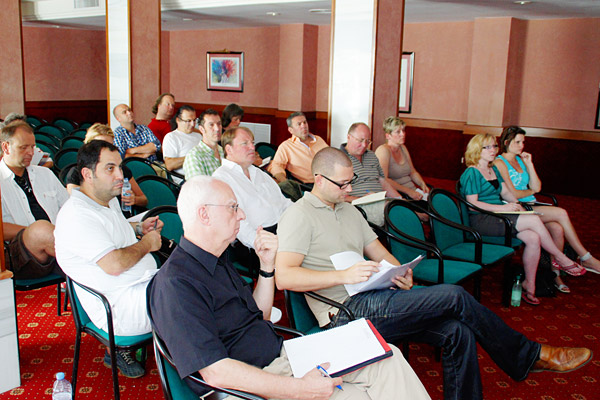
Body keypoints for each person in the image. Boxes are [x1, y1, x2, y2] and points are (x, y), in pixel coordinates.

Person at [275, 147, 593, 400]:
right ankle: (529, 355)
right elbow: (285, 278)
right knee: (455, 296)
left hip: (374, 296)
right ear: (318, 178)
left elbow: (379, 253)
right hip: (344, 312)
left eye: (351, 182)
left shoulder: (347, 210)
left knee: (458, 331)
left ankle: (521, 360)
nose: (349, 189)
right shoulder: (298, 216)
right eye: (342, 184)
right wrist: (343, 276)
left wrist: (397, 273)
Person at [147, 175, 430, 400]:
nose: (242, 215)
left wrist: (266, 267)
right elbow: (216, 373)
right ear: (204, 215)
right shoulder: (176, 284)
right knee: (360, 395)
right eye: (233, 207)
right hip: (250, 384)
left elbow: (259, 315)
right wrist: (300, 389)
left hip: (283, 357)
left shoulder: (217, 261)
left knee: (386, 357)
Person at [54, 140, 163, 378]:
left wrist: (138, 228)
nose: (120, 176)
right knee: (190, 298)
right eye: (110, 168)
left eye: (120, 168)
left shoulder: (106, 200)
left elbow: (113, 232)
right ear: (87, 174)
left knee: (195, 283)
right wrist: (147, 243)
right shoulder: (77, 215)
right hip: (117, 307)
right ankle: (199, 372)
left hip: (137, 287)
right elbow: (113, 264)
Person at [459, 133, 584, 305]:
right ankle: (559, 257)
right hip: (482, 220)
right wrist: (503, 208)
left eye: (494, 146)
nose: (493, 150)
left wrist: (516, 204)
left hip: (499, 215)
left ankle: (529, 286)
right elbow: (472, 205)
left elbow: (504, 192)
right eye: (487, 147)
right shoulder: (471, 172)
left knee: (533, 237)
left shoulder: (492, 168)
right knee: (533, 220)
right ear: (476, 150)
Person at [494, 126, 600, 277]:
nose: (521, 146)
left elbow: (537, 186)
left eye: (523, 142)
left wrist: (529, 164)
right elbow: (514, 194)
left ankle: (554, 276)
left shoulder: (521, 159)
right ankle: (586, 257)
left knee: (557, 228)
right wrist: (531, 191)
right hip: (519, 207)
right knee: (561, 213)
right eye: (517, 142)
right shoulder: (500, 163)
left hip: (532, 203)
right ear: (506, 142)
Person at [1, 121, 68, 279]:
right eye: (23, 147)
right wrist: (34, 233)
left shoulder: (45, 174)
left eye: (32, 147)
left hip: (56, 242)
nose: (31, 152)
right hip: (17, 253)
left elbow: (68, 207)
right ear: (5, 147)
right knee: (40, 230)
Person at [213, 126, 291, 249]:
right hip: (254, 244)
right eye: (245, 144)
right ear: (229, 149)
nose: (252, 147)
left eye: (253, 143)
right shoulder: (221, 178)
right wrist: (260, 244)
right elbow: (236, 224)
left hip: (283, 232)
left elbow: (284, 203)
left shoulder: (258, 172)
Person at [65, 123, 148, 211]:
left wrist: (134, 199)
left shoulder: (122, 170)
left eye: (110, 146)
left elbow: (144, 200)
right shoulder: (76, 173)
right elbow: (78, 207)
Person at [341, 122, 403, 226]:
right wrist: (364, 199)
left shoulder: (371, 155)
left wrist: (400, 199)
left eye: (367, 141)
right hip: (359, 207)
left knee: (403, 206)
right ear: (349, 137)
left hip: (380, 201)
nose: (364, 145)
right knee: (396, 212)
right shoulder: (339, 159)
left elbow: (382, 181)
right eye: (360, 140)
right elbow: (339, 195)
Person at [375, 116, 429, 202]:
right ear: (388, 136)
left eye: (403, 131)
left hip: (413, 192)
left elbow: (412, 172)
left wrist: (422, 184)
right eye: (398, 132)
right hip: (399, 195)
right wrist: (409, 192)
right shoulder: (383, 150)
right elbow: (383, 179)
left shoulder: (403, 148)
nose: (402, 134)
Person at [268, 111, 329, 184]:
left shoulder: (318, 140)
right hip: (308, 185)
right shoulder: (286, 146)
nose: (304, 126)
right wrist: (284, 181)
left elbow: (331, 158)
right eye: (299, 124)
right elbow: (276, 166)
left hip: (328, 181)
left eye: (305, 122)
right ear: (291, 130)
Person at [162, 105, 202, 182]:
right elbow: (169, 165)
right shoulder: (171, 137)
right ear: (178, 120)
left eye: (194, 120)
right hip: (185, 180)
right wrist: (193, 156)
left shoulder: (198, 136)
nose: (193, 124)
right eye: (188, 121)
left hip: (203, 175)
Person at [183, 109, 224, 179]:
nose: (217, 128)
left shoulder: (225, 151)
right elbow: (198, 188)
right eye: (211, 125)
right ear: (202, 129)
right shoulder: (194, 156)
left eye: (219, 124)